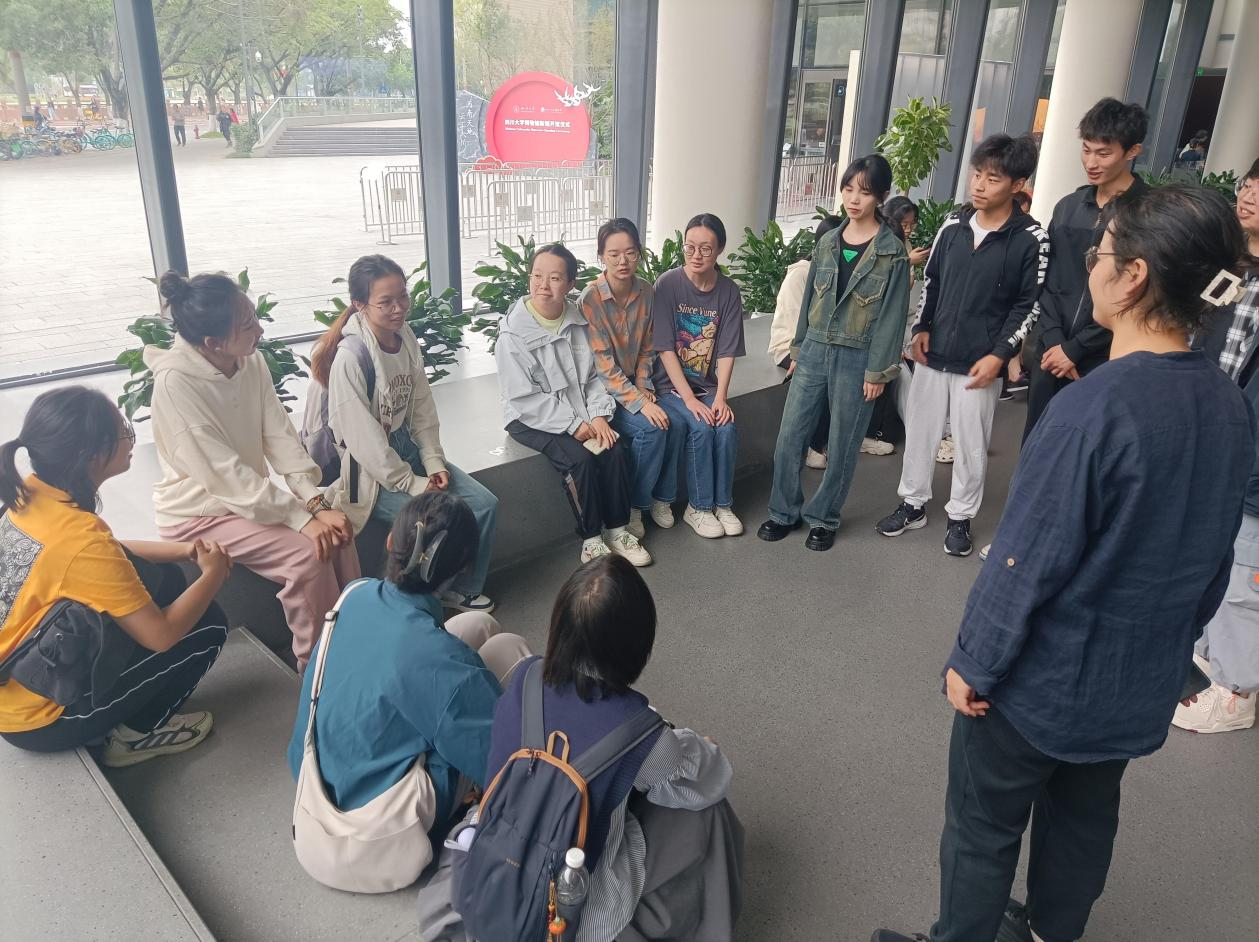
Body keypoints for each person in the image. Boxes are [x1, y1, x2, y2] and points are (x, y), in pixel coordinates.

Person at [872, 184, 1255, 942]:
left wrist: (974, 660)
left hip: (1041, 686)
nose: (1090, 267)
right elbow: (1213, 557)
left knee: (983, 826)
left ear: (1134, 276)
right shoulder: (1227, 404)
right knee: (1083, 816)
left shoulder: (1093, 409)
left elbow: (1024, 561)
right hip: (1135, 681)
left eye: (1099, 253)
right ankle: (1052, 930)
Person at [483, 555, 741, 941]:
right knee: (706, 809)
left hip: (493, 871)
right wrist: (698, 744)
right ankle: (712, 925)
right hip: (571, 912)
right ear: (637, 643)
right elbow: (709, 777)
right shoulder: (639, 732)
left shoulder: (525, 676)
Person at [0, 387, 230, 767]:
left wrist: (184, 549)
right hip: (40, 718)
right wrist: (213, 574)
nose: (130, 439)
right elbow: (161, 636)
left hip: (19, 682)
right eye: (124, 431)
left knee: (166, 579)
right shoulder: (82, 541)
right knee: (210, 624)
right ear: (92, 455)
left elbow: (106, 555)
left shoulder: (33, 495)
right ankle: (134, 737)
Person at [287, 491, 530, 848]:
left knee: (477, 624)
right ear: (464, 568)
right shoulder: (444, 666)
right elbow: (500, 760)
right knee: (509, 651)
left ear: (390, 541)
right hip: (370, 834)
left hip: (314, 794)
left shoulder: (355, 593)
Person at [147, 271, 360, 670]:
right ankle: (319, 669)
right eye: (247, 325)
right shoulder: (175, 384)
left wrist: (314, 502)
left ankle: (353, 643)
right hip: (199, 514)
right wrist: (302, 519)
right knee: (309, 553)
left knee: (339, 533)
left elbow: (279, 435)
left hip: (243, 501)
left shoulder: (250, 360)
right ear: (212, 342)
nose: (260, 330)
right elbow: (226, 477)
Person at [876, 134, 1048, 557]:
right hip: (934, 354)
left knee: (970, 443)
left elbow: (1029, 305)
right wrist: (921, 327)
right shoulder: (953, 225)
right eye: (977, 174)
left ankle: (961, 516)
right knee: (921, 432)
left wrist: (1000, 354)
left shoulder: (1031, 238)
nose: (979, 185)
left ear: (1018, 184)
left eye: (993, 178)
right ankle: (912, 503)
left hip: (980, 362)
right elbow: (932, 280)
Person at [309, 254, 498, 614]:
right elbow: (363, 442)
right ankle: (412, 604)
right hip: (368, 471)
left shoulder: (405, 336)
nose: (398, 308)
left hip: (405, 447)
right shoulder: (351, 357)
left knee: (484, 505)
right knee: (430, 524)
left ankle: (461, 590)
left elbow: (422, 405)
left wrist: (433, 461)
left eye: (402, 297)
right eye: (385, 302)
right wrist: (412, 483)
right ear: (360, 305)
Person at [759, 155, 911, 552]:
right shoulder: (827, 242)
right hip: (814, 349)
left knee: (842, 444)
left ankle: (824, 517)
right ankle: (783, 511)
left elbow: (892, 317)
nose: (854, 199)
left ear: (881, 196)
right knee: (790, 436)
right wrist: (798, 348)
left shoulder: (891, 252)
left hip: (858, 356)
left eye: (864, 192)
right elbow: (809, 302)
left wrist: (878, 372)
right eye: (848, 189)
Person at [497, 243, 651, 567]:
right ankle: (591, 540)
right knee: (578, 461)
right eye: (537, 276)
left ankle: (617, 530)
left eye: (555, 278)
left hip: (579, 409)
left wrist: (598, 415)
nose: (543, 285)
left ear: (570, 284)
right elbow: (523, 398)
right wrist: (573, 424)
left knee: (615, 450)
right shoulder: (513, 334)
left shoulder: (578, 322)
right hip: (529, 417)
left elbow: (593, 377)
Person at [1173, 158, 1259, 735]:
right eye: (1248, 184)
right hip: (1213, 439)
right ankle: (1209, 659)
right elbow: (1197, 339)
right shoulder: (1229, 270)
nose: (1248, 195)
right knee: (1217, 557)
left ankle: (1237, 692)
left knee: (1247, 572)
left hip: (1251, 457)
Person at [1023, 98, 1149, 438]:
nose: (1091, 162)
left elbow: (1139, 294)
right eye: (1086, 150)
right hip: (1051, 351)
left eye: (1103, 153)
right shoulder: (1068, 207)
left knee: (1087, 443)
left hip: (1106, 355)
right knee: (1038, 439)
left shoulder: (1147, 213)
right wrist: (1054, 341)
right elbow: (1046, 279)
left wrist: (1076, 349)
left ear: (1132, 151)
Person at [579, 218, 678, 539]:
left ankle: (656, 499)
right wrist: (639, 402)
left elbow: (649, 346)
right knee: (652, 428)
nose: (623, 261)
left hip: (635, 384)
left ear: (639, 253)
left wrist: (644, 384)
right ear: (601, 256)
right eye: (613, 254)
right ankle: (632, 506)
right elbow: (603, 367)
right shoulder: (590, 300)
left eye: (630, 253)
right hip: (600, 394)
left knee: (672, 422)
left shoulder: (647, 291)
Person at [651, 213, 747, 539]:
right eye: (689, 247)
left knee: (726, 426)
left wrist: (720, 397)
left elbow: (727, 351)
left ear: (719, 250)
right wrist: (690, 400)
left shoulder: (728, 291)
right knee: (701, 427)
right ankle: (699, 508)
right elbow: (665, 349)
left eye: (705, 249)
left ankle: (723, 504)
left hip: (706, 385)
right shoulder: (668, 284)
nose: (696, 255)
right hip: (668, 386)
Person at [767, 213, 844, 468]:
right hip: (790, 346)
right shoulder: (800, 275)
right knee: (824, 373)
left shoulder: (835, 271)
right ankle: (812, 446)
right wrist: (799, 355)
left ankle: (831, 441)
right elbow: (793, 321)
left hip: (821, 345)